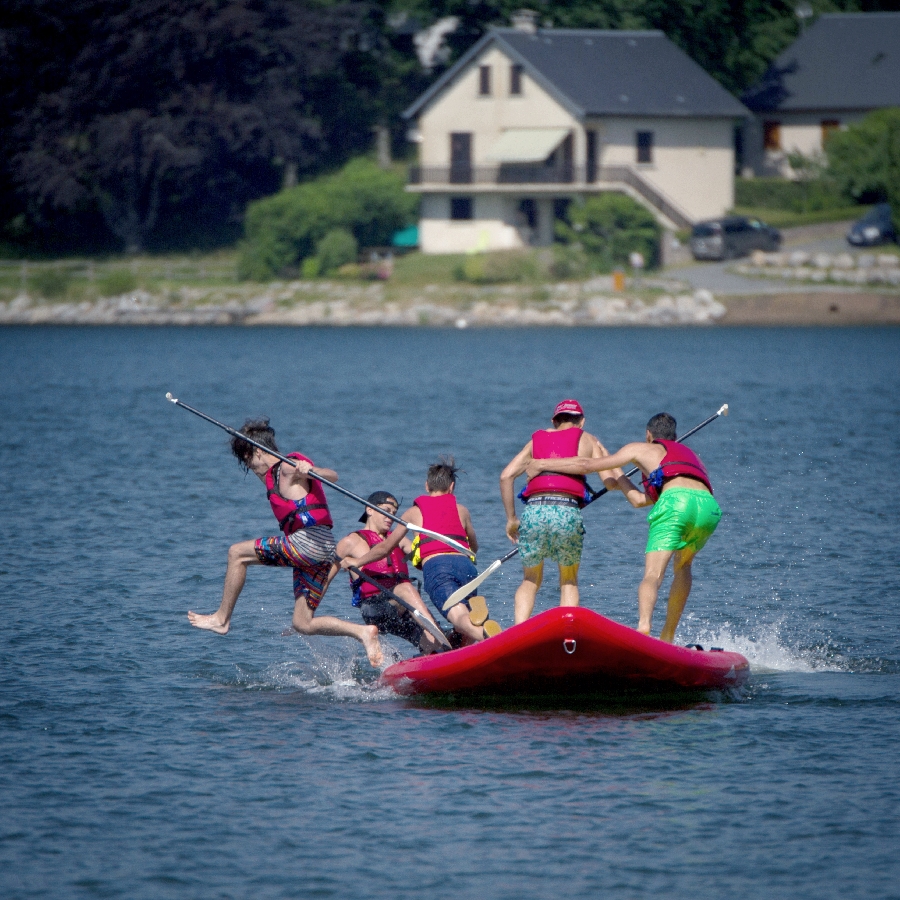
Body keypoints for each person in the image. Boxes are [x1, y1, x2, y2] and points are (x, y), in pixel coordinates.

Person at [187, 418, 383, 667]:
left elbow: (332, 476)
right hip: (321, 550)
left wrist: (311, 470)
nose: (250, 467)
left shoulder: (289, 468)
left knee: (237, 553)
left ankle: (222, 619)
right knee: (302, 623)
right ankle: (363, 633)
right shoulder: (269, 476)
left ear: (259, 451)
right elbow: (263, 468)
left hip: (308, 543)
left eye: (248, 459)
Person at [526, 412, 721, 643]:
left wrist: (542, 464)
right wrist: (618, 472)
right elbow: (639, 500)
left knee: (652, 574)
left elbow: (585, 464)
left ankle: (644, 628)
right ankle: (668, 636)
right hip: (708, 507)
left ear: (649, 435)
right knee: (684, 565)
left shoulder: (640, 448)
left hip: (676, 502)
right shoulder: (692, 457)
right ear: (675, 437)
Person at [340, 457, 499, 644]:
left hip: (439, 567)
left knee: (458, 617)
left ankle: (490, 638)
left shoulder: (413, 512)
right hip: (466, 567)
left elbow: (385, 547)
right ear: (452, 487)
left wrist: (357, 562)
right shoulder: (461, 510)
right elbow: (474, 547)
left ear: (427, 486)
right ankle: (471, 646)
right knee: (465, 622)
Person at [500, 399, 621, 624]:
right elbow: (611, 482)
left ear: (554, 422)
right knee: (568, 579)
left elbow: (506, 476)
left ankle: (519, 631)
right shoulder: (588, 439)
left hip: (534, 512)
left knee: (530, 579)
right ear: (581, 422)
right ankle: (567, 633)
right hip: (566, 511)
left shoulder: (535, 441)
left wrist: (511, 519)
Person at [335, 490, 443, 655]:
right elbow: (322, 577)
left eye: (393, 513)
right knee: (405, 589)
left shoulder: (397, 539)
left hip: (402, 608)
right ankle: (443, 638)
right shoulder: (351, 542)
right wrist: (307, 614)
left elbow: (424, 554)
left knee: (433, 644)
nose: (390, 517)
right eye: (386, 511)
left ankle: (436, 653)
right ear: (369, 510)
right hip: (374, 609)